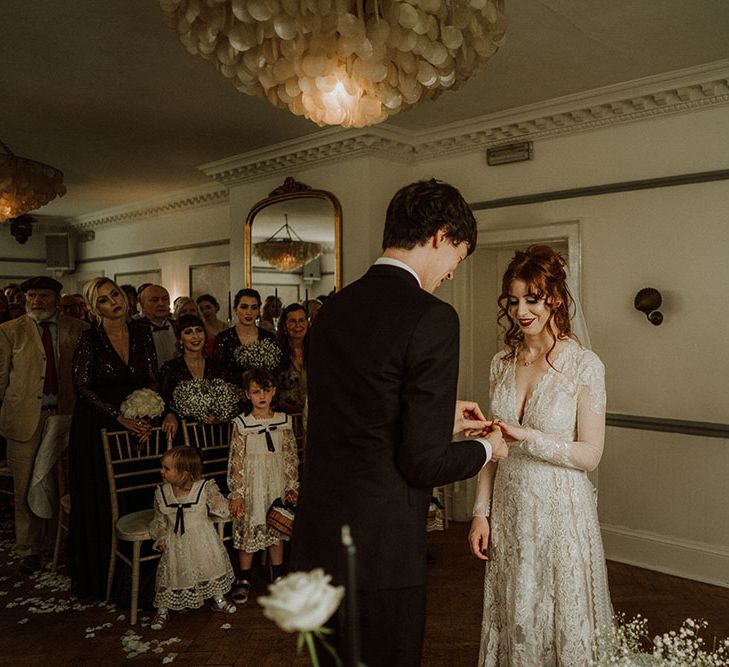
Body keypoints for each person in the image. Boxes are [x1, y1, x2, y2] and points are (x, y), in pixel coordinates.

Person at [291, 179, 508, 667]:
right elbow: (422, 462)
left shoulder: (331, 312)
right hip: (380, 546)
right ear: (440, 235)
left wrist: (439, 416)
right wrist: (489, 449)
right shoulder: (432, 317)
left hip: (319, 535)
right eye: (459, 254)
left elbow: (358, 411)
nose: (453, 272)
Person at [469, 245, 612, 666]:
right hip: (512, 506)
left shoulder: (584, 365)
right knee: (515, 610)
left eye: (532, 299)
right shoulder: (500, 362)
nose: (521, 310)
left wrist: (527, 436)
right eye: (513, 301)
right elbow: (494, 446)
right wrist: (481, 512)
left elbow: (590, 455)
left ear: (554, 298)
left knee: (559, 614)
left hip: (560, 511)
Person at [67, 277, 160, 599]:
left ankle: (144, 576)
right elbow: (82, 386)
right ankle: (104, 575)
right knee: (106, 497)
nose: (113, 302)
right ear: (95, 308)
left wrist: (148, 414)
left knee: (142, 490)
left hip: (138, 425)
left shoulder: (142, 332)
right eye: (104, 300)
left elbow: (152, 378)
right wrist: (119, 416)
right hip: (98, 425)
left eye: (116, 295)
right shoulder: (89, 339)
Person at [0, 276, 88, 573]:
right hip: (25, 418)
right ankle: (29, 548)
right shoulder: (10, 331)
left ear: (56, 299)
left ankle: (58, 543)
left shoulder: (77, 329)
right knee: (25, 484)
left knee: (60, 481)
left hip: (66, 414)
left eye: (44, 296)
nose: (37, 301)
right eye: (32, 296)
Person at [228, 368, 298, 606]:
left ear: (273, 392)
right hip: (252, 485)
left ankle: (277, 573)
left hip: (276, 483)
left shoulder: (284, 421)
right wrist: (237, 493)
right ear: (247, 394)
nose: (262, 396)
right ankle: (244, 578)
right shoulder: (242, 424)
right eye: (256, 391)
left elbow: (290, 456)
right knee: (251, 526)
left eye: (266, 390)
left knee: (276, 525)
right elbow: (236, 461)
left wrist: (291, 485)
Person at [148, 446, 236, 630]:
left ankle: (218, 599)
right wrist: (161, 538)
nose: (161, 472)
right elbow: (159, 520)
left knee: (209, 568)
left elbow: (222, 508)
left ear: (184, 472)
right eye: (162, 467)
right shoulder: (162, 493)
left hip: (202, 540)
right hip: (176, 543)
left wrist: (226, 504)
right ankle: (163, 610)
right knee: (170, 575)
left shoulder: (203, 488)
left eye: (166, 468)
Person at [159, 314, 229, 436]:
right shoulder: (170, 368)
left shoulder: (217, 366)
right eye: (188, 332)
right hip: (184, 434)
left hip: (215, 434)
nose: (195, 336)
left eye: (199, 331)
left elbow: (228, 400)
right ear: (180, 339)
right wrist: (169, 415)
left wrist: (219, 416)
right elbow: (162, 400)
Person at [212, 289, 276, 386]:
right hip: (232, 396)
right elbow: (218, 373)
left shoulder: (268, 337)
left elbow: (275, 372)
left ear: (259, 310)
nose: (249, 312)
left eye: (254, 308)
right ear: (235, 309)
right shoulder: (224, 338)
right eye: (244, 307)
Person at [276, 303, 308, 414]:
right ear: (284, 326)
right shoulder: (276, 353)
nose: (298, 325)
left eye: (301, 320)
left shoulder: (317, 351)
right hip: (285, 415)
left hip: (314, 415)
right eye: (292, 321)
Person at [139, 284, 176, 368]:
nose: (161, 303)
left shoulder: (178, 326)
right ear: (142, 305)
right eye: (154, 300)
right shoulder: (135, 329)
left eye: (165, 299)